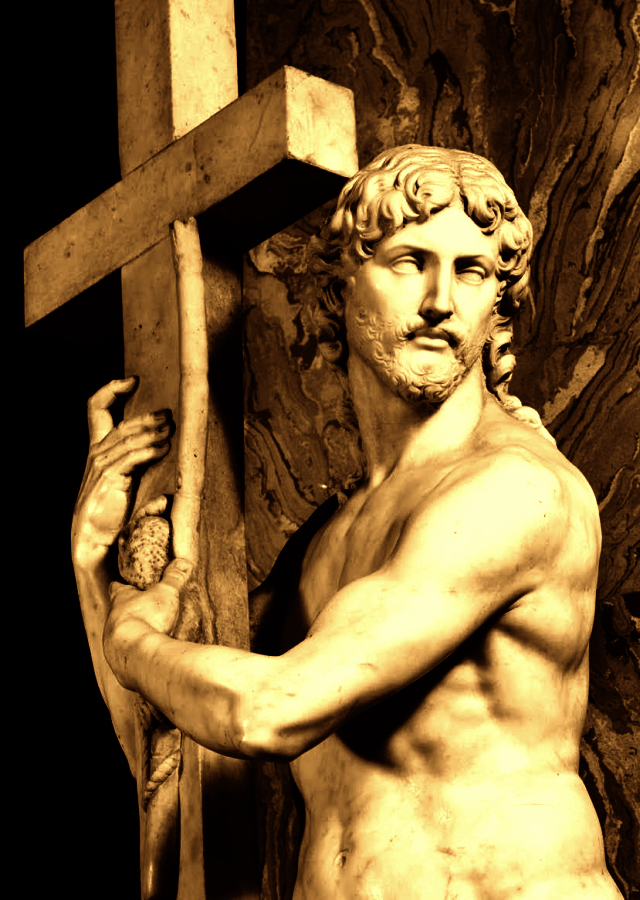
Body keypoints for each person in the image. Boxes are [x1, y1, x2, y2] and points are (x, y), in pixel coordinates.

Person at [72, 146, 622, 899]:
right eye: (410, 261)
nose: (440, 301)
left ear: (498, 301)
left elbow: (268, 712)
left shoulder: (515, 491)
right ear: (340, 287)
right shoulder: (326, 544)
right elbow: (175, 730)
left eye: (471, 271)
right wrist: (92, 561)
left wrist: (130, 641)